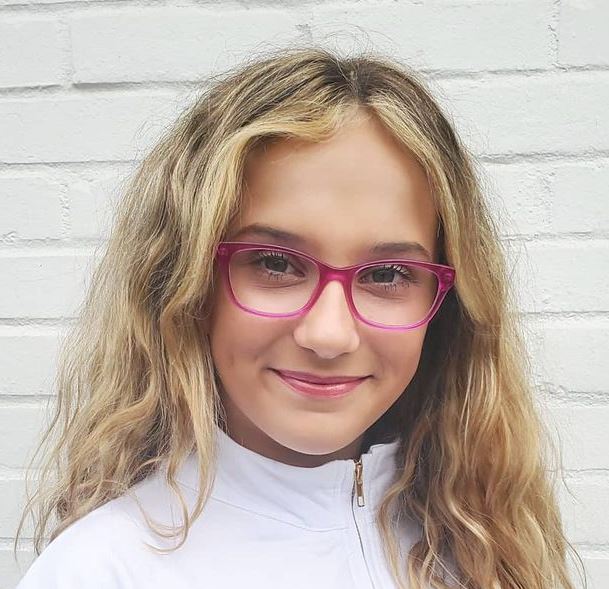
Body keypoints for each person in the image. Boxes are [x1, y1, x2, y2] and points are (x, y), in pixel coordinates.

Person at [14, 46, 584, 589]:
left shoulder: (481, 547)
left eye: (388, 274)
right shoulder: (101, 571)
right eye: (276, 263)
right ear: (186, 284)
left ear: (447, 307)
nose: (328, 335)